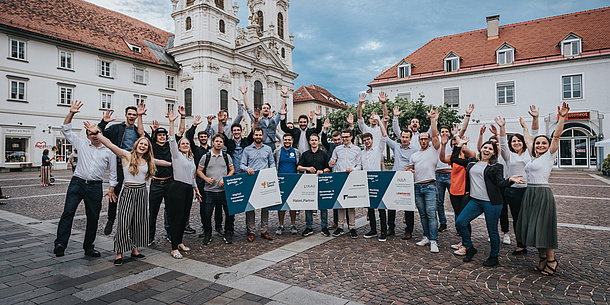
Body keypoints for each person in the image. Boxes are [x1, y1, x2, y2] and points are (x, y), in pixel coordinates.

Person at [83, 121, 168, 266]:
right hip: (128, 191)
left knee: (138, 222)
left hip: (142, 192)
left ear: (148, 148)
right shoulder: (126, 156)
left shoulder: (148, 160)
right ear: (136, 145)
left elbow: (163, 162)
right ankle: (119, 253)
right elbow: (110, 144)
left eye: (145, 145)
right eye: (141, 144)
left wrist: (179, 163)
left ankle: (135, 250)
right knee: (124, 222)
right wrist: (97, 133)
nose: (143, 146)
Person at [54, 101, 118, 258]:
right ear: (88, 135)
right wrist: (71, 113)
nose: (94, 136)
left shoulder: (109, 151)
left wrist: (111, 188)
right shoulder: (82, 144)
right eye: (91, 134)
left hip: (95, 187)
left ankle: (89, 246)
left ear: (101, 134)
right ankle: (60, 243)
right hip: (77, 183)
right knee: (68, 212)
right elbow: (66, 130)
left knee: (93, 217)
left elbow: (113, 172)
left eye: (97, 133)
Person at [451, 135, 525, 266]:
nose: (487, 150)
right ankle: (470, 248)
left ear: (493, 153)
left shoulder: (497, 166)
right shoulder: (472, 162)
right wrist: (459, 145)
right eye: (485, 147)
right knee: (461, 222)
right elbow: (454, 159)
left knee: (492, 231)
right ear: (481, 149)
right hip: (475, 201)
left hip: (491, 203)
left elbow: (500, 183)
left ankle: (494, 257)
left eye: (490, 149)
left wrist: (510, 181)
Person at [516, 102, 569, 276]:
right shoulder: (532, 157)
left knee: (544, 228)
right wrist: (527, 124)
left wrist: (562, 117)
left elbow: (557, 136)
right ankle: (542, 259)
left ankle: (552, 261)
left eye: (543, 143)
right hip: (530, 193)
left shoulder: (549, 156)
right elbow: (529, 138)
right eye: (538, 143)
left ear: (548, 146)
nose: (539, 145)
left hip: (542, 194)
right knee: (534, 227)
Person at [495, 106, 540, 255]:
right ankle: (521, 244)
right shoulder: (509, 156)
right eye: (513, 141)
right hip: (513, 191)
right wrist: (502, 128)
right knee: (517, 218)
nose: (516, 143)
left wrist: (534, 118)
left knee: (532, 217)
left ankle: (537, 242)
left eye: (518, 140)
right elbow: (502, 143)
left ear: (522, 142)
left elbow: (533, 135)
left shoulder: (529, 153)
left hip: (530, 190)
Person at [98, 106, 141, 235]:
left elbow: (147, 140)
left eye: (134, 114)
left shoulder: (138, 130)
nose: (132, 116)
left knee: (134, 192)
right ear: (126, 115)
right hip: (119, 163)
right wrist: (103, 122)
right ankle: (111, 220)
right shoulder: (117, 128)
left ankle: (132, 221)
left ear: (137, 117)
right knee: (115, 192)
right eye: (130, 114)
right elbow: (100, 134)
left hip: (133, 165)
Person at [165, 110, 202, 259]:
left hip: (188, 188)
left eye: (187, 143)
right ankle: (174, 248)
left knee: (184, 217)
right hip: (177, 188)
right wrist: (172, 122)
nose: (185, 144)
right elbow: (172, 139)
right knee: (177, 218)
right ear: (179, 147)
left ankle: (179, 242)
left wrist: (196, 190)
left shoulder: (190, 159)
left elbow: (192, 177)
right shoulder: (176, 155)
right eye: (183, 143)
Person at [407, 107, 441, 253]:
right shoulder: (414, 155)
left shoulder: (434, 149)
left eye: (425, 138)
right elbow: (410, 169)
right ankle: (426, 236)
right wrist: (410, 171)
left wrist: (432, 119)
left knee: (431, 214)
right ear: (418, 140)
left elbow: (434, 134)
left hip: (430, 186)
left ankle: (434, 240)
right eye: (420, 139)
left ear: (428, 140)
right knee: (422, 214)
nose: (423, 141)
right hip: (417, 187)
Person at [197, 133, 235, 244]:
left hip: (224, 191)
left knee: (229, 213)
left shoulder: (226, 156)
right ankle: (208, 233)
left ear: (223, 144)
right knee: (207, 214)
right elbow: (199, 170)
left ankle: (228, 232)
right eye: (217, 141)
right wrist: (206, 179)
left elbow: (232, 169)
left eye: (221, 142)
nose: (218, 143)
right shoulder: (206, 156)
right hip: (209, 191)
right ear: (213, 142)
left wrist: (225, 179)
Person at [385, 113, 418, 240]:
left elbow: (415, 166)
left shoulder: (415, 150)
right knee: (391, 205)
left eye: (406, 137)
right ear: (400, 137)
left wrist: (408, 169)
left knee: (408, 207)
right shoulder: (396, 147)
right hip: (395, 179)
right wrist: (389, 120)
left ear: (410, 138)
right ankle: (391, 228)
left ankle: (408, 230)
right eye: (403, 137)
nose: (404, 139)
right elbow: (385, 137)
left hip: (408, 181)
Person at [240, 127, 275, 242]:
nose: (258, 137)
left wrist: (272, 171)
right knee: (251, 206)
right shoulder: (247, 149)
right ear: (253, 136)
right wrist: (247, 168)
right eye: (256, 135)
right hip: (251, 180)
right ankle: (251, 231)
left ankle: (264, 230)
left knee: (265, 207)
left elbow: (272, 163)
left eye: (260, 135)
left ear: (263, 136)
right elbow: (242, 165)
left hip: (264, 180)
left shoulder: (268, 149)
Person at [329, 129, 362, 239]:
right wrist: (331, 163)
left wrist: (353, 170)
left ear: (351, 137)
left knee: (350, 204)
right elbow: (332, 162)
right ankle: (340, 226)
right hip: (340, 177)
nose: (345, 139)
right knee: (340, 204)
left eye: (347, 137)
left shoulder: (357, 150)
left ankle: (352, 227)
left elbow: (359, 166)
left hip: (351, 178)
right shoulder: (337, 149)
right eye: (343, 137)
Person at [297, 133, 331, 237]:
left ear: (319, 141)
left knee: (323, 205)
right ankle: (309, 227)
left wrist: (322, 171)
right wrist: (307, 168)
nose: (314, 142)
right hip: (309, 182)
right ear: (309, 142)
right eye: (312, 140)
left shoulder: (324, 154)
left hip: (321, 181)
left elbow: (328, 168)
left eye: (315, 140)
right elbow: (298, 167)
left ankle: (324, 226)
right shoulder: (305, 154)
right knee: (308, 204)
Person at [362, 114, 389, 242]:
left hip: (378, 180)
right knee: (370, 207)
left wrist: (379, 121)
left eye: (368, 139)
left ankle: (384, 231)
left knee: (381, 208)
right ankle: (373, 229)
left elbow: (384, 136)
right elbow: (359, 166)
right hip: (367, 181)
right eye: (365, 140)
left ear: (372, 140)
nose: (367, 142)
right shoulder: (362, 153)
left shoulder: (378, 149)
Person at [273, 133, 301, 235]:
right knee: (281, 205)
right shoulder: (277, 152)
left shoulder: (297, 152)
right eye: (285, 140)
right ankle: (281, 225)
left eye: (289, 140)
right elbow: (273, 165)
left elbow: (299, 165)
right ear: (282, 141)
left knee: (292, 204)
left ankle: (293, 225)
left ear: (292, 141)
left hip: (293, 181)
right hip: (281, 181)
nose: (287, 141)